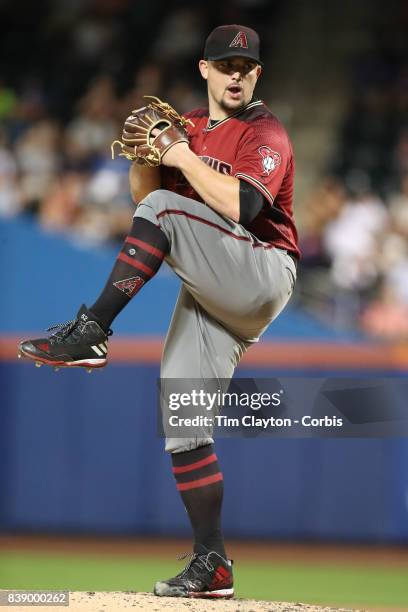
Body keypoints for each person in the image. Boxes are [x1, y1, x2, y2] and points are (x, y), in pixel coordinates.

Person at [19, 24, 299, 599]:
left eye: (246, 67)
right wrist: (148, 155)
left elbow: (244, 206)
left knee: (166, 209)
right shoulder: (192, 127)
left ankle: (92, 329)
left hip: (263, 269)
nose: (236, 74)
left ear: (258, 75)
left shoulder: (264, 131)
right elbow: (144, 195)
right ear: (204, 69)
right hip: (215, 288)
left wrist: (178, 157)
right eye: (226, 65)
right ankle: (212, 563)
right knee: (184, 422)